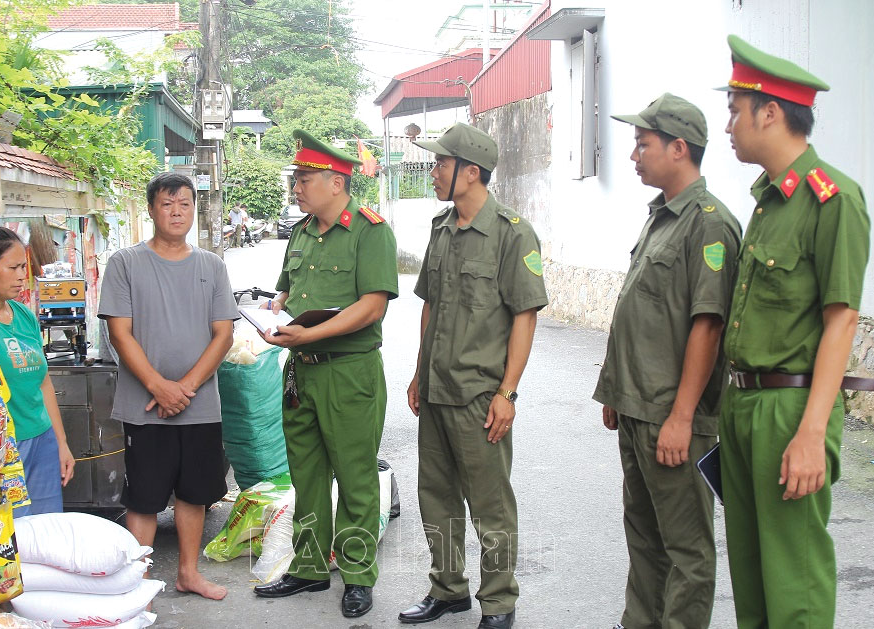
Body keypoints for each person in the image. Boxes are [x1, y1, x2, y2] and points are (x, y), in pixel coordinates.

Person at [718, 35, 873, 627]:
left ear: (771, 112)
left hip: (790, 409)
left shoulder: (832, 200)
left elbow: (842, 319)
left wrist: (812, 434)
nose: (729, 124)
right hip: (744, 403)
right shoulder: (768, 201)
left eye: (736, 109)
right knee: (753, 579)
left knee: (794, 584)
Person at [592, 94, 742, 629]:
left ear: (679, 149)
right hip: (639, 408)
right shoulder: (661, 218)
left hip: (672, 416)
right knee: (644, 536)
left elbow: (708, 324)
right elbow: (644, 313)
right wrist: (616, 391)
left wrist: (682, 416)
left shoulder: (708, 224)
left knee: (686, 548)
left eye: (643, 143)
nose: (634, 154)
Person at [399, 123, 547, 629]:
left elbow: (525, 315)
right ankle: (448, 589)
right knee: (435, 499)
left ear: (472, 172)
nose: (434, 172)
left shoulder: (512, 232)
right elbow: (431, 305)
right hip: (437, 390)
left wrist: (508, 392)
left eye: (441, 164)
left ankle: (499, 602)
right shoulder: (441, 229)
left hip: (480, 395)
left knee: (490, 506)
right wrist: (420, 371)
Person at [252, 129, 398, 619]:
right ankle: (310, 566)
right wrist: (274, 307)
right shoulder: (300, 232)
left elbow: (372, 306)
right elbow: (287, 293)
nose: (297, 186)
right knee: (307, 473)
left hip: (348, 371)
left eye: (306, 177)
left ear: (337, 182)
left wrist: (311, 336)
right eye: (296, 177)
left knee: (355, 476)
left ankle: (357, 576)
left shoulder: (370, 231)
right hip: (302, 373)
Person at [98, 171, 238, 600]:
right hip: (144, 404)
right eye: (167, 204)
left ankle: (188, 574)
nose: (177, 212)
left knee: (194, 493)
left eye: (185, 204)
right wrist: (159, 387)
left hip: (198, 404)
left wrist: (184, 389)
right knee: (143, 496)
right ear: (152, 209)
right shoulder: (125, 263)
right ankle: (136, 583)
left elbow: (224, 334)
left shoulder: (212, 265)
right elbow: (121, 334)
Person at [0, 225, 75, 516]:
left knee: (45, 534)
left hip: (41, 439)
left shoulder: (23, 315)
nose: (23, 275)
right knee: (6, 541)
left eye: (24, 266)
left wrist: (61, 443)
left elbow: (43, 383)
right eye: (14, 267)